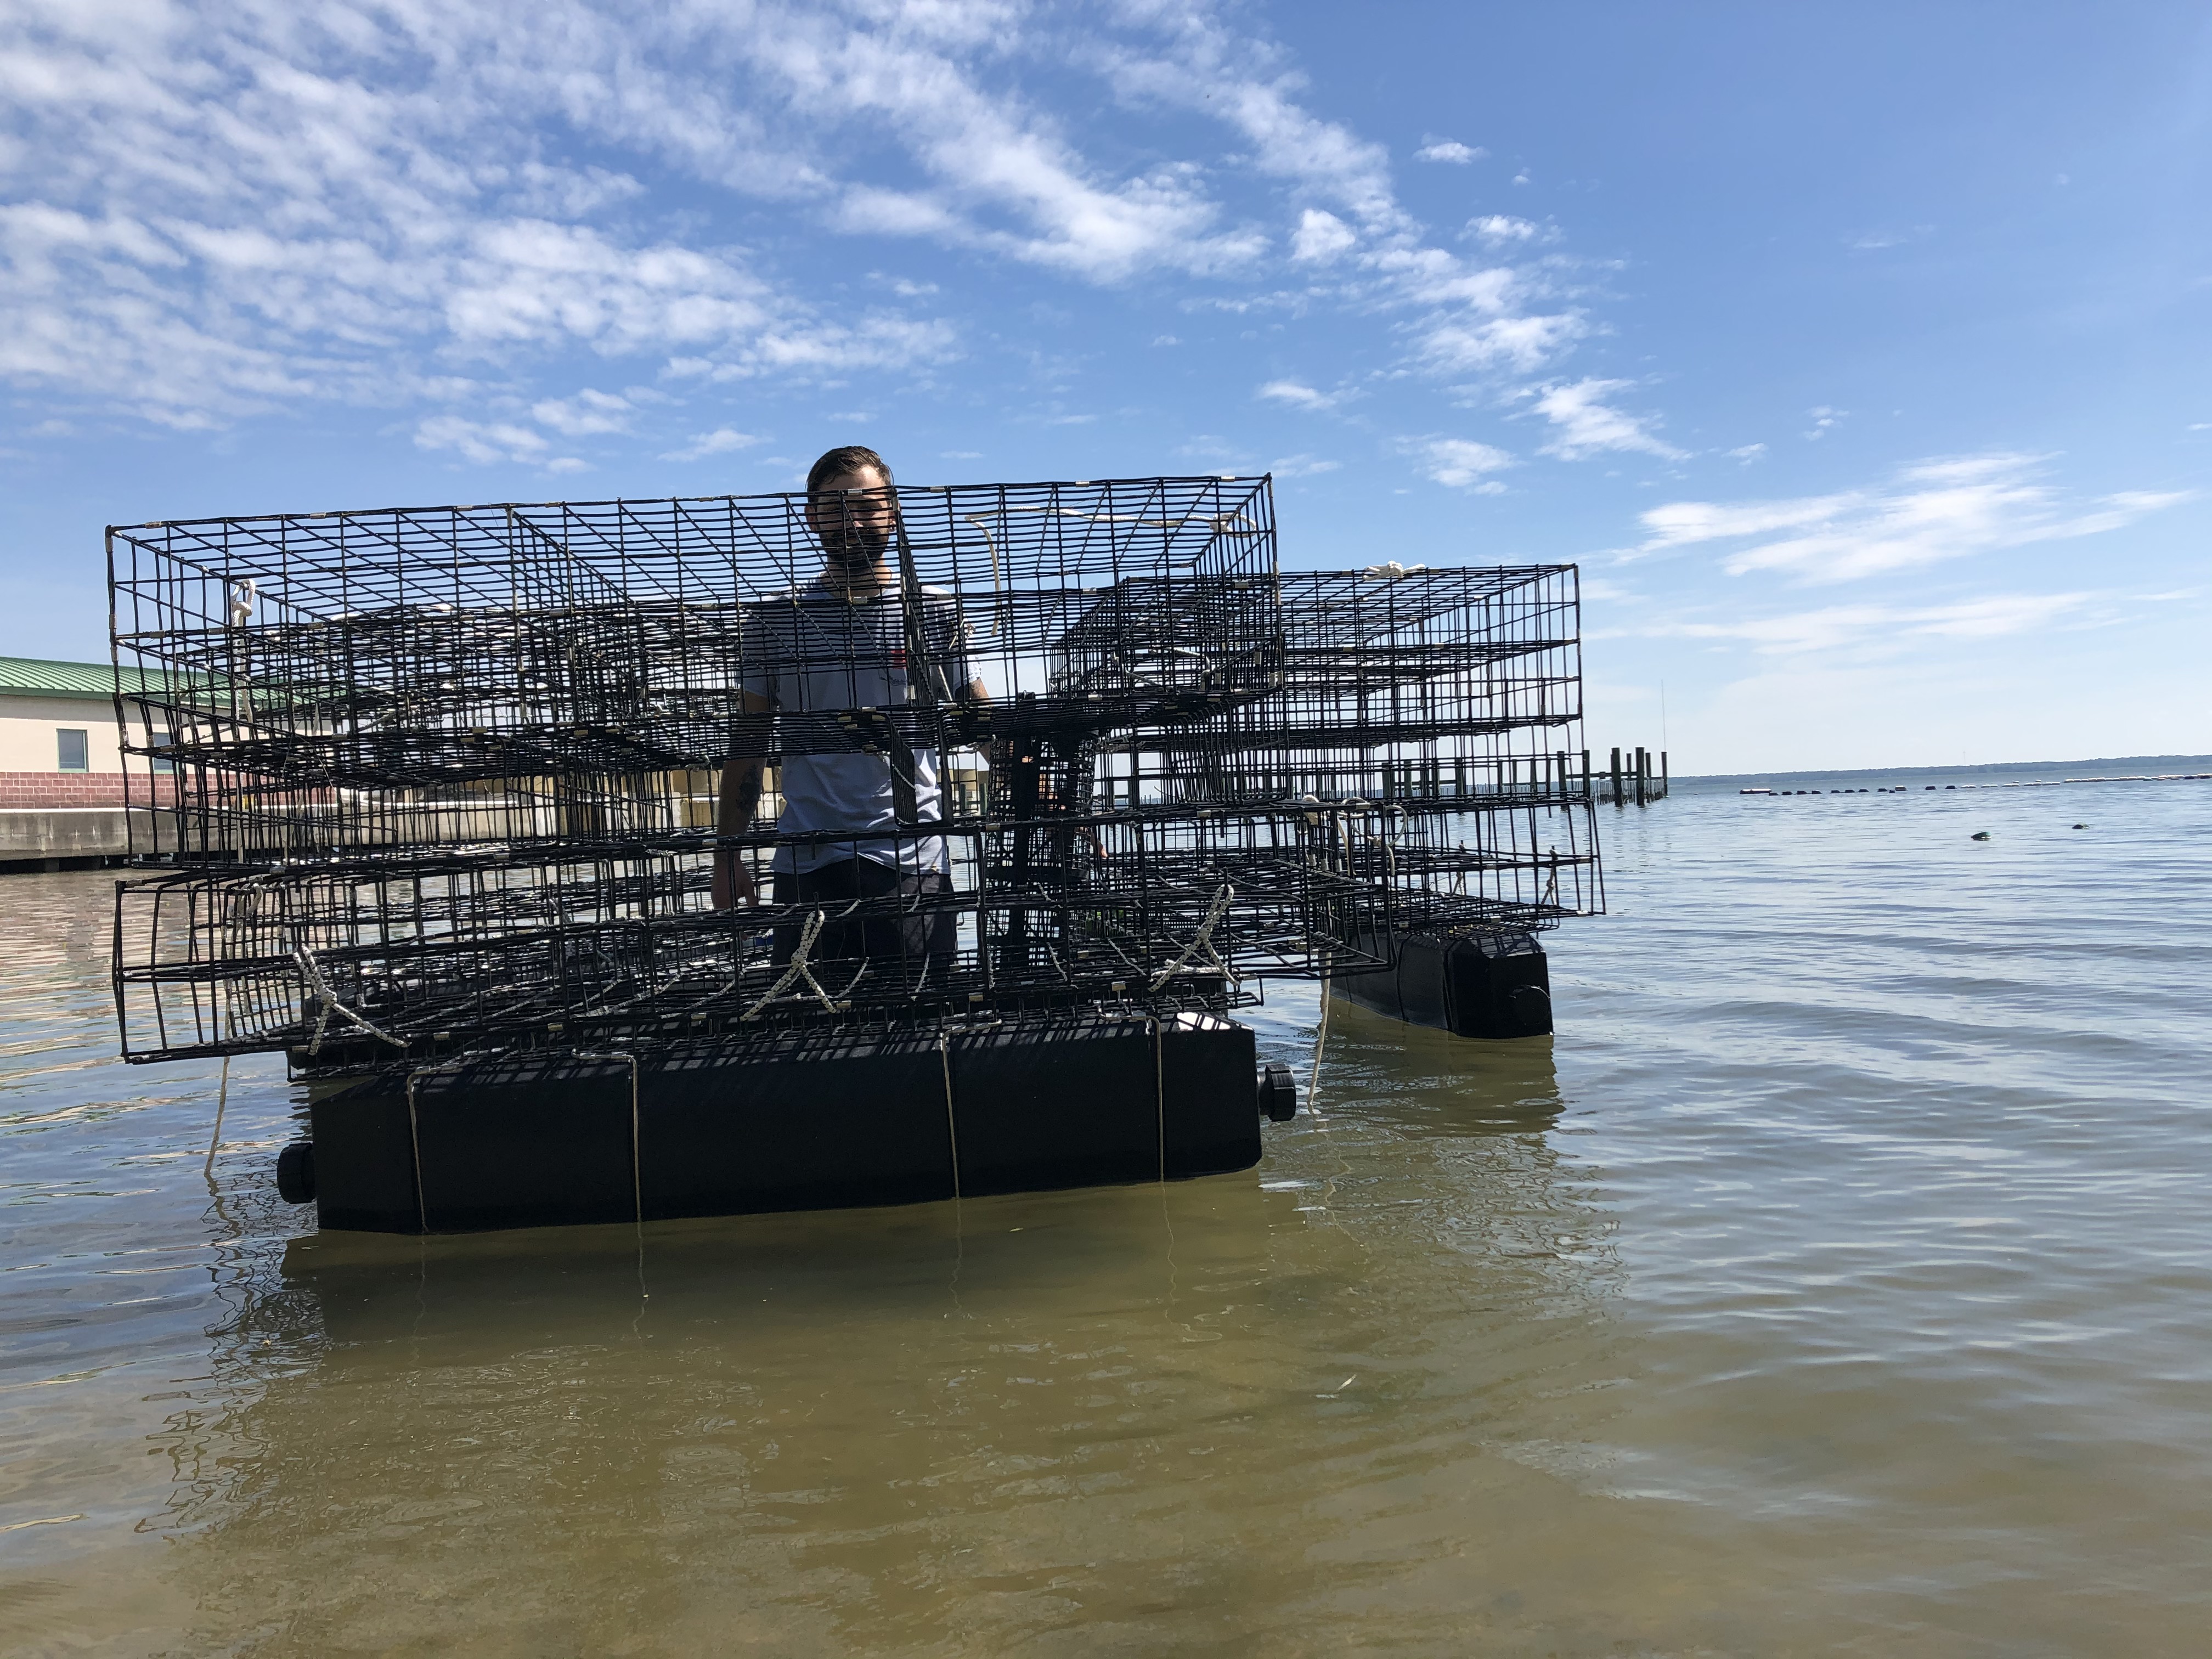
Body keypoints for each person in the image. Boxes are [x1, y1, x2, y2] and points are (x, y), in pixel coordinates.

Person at [712, 446, 986, 979]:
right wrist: (727, 854)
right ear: (812, 516)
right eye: (835, 507)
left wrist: (1034, 778)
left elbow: (979, 717)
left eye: (866, 505)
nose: (852, 521)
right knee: (805, 1029)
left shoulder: (931, 611)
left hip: (914, 864)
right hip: (807, 864)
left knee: (923, 1030)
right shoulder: (775, 620)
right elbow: (749, 740)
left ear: (893, 510)